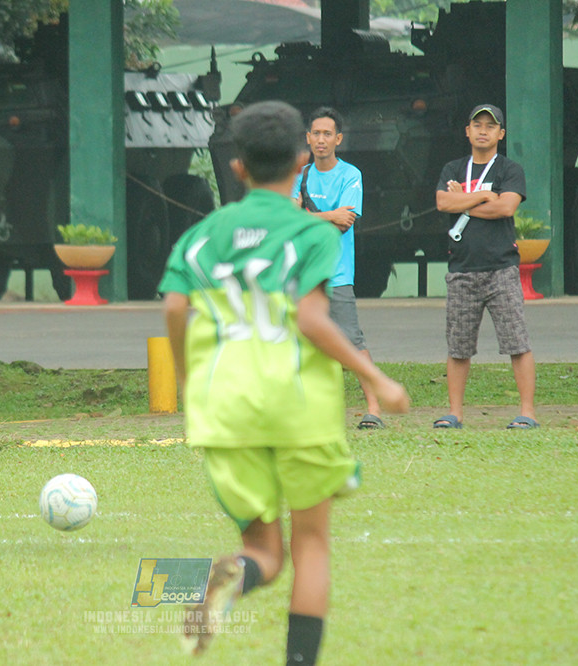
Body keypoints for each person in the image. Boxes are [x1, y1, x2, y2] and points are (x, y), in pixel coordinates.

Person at [160, 101, 409, 664]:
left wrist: (185, 376)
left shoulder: (203, 237)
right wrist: (376, 378)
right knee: (313, 543)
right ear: (302, 160)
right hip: (299, 405)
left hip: (226, 406)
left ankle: (234, 575)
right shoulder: (310, 234)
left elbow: (176, 307)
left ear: (237, 167)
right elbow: (310, 317)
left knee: (264, 551)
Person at [433, 104, 538, 429]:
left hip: (501, 269)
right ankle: (455, 413)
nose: (482, 130)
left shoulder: (510, 169)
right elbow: (442, 203)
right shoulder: (453, 168)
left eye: (490, 126)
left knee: (516, 342)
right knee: (459, 345)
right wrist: (483, 197)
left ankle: (527, 413)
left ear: (500, 134)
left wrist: (465, 198)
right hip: (462, 269)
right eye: (476, 125)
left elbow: (506, 208)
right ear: (467, 131)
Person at [293, 106, 384, 429]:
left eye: (327, 134)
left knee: (353, 343)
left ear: (338, 139)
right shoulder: (300, 176)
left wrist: (313, 218)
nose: (321, 140)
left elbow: (346, 222)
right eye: (315, 133)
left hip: (337, 275)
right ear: (307, 138)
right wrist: (329, 216)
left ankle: (373, 409)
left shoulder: (350, 175)